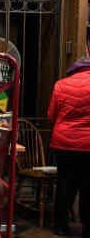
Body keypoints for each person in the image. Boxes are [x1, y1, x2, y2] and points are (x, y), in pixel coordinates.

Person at [48, 57, 90, 237]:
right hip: (88, 145)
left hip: (64, 144)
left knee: (65, 185)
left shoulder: (61, 84)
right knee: (88, 187)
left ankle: (60, 225)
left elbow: (51, 115)